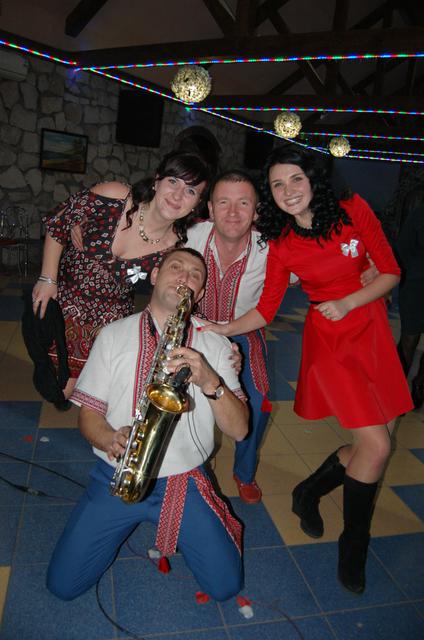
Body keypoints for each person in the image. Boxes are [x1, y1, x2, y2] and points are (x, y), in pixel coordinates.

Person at [200, 146, 413, 594]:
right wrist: (223, 328)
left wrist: (351, 299)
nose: (288, 190)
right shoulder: (281, 244)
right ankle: (353, 544)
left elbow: (391, 271)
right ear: (270, 195)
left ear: (314, 178)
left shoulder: (353, 209)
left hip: (372, 332)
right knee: (376, 445)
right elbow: (266, 310)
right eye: (277, 184)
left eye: (295, 178)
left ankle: (308, 492)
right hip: (332, 341)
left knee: (377, 442)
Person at [46, 247, 249, 602]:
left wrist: (210, 381)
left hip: (183, 480)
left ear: (199, 293)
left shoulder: (216, 346)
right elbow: (88, 415)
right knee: (62, 586)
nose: (184, 277)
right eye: (175, 267)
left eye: (195, 275)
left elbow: (240, 430)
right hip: (117, 473)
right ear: (154, 276)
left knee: (225, 587)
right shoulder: (113, 334)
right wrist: (108, 438)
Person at [31, 150, 210, 400]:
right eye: (173, 181)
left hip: (108, 326)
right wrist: (47, 278)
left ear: (197, 203)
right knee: (50, 382)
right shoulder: (114, 196)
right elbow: (59, 222)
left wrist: (212, 338)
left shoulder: (173, 249)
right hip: (60, 304)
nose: (178, 195)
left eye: (190, 191)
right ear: (157, 180)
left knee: (70, 394)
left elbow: (175, 296)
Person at [185, 170, 271, 503]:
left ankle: (244, 472)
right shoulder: (189, 235)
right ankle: (186, 464)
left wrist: (363, 270)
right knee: (182, 397)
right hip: (193, 328)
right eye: (223, 202)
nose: (233, 212)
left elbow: (314, 270)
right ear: (210, 208)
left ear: (256, 210)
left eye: (243, 203)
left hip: (245, 332)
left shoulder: (270, 248)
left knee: (258, 401)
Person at [395, 205, 424, 409]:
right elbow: (403, 248)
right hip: (416, 285)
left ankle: (420, 385)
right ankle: (395, 393)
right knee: (409, 339)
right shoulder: (420, 212)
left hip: (415, 280)